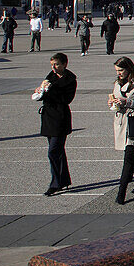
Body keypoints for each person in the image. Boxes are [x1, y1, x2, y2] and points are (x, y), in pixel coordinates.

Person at [108, 56, 134, 204]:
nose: (118, 73)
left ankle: (121, 192)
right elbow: (115, 100)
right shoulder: (117, 83)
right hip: (121, 122)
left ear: (129, 69)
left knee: (129, 157)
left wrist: (128, 102)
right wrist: (113, 103)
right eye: (117, 71)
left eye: (121, 70)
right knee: (131, 154)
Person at [37, 52, 77, 196]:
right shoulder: (50, 77)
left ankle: (55, 183)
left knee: (53, 151)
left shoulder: (70, 79)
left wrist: (50, 90)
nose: (54, 67)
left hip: (60, 118)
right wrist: (41, 91)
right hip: (48, 117)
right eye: (52, 64)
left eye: (57, 64)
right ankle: (63, 180)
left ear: (64, 64)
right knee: (58, 151)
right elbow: (44, 92)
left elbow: (66, 99)